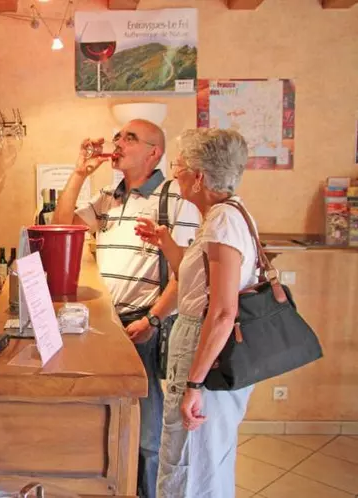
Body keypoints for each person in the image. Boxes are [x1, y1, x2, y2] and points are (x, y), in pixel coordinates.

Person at [53, 119, 200, 498]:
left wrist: (153, 319)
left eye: (130, 138)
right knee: (110, 422)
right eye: (118, 135)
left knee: (148, 434)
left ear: (154, 153)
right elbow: (61, 226)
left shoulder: (173, 198)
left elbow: (185, 271)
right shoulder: (108, 194)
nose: (118, 142)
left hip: (143, 327)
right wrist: (79, 173)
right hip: (105, 325)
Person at [135, 129, 255, 497]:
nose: (175, 175)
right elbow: (194, 286)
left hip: (206, 357)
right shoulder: (221, 216)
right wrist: (167, 245)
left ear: (200, 176)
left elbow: (221, 311)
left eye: (180, 167)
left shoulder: (222, 221)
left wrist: (194, 384)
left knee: (193, 462)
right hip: (198, 350)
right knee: (191, 457)